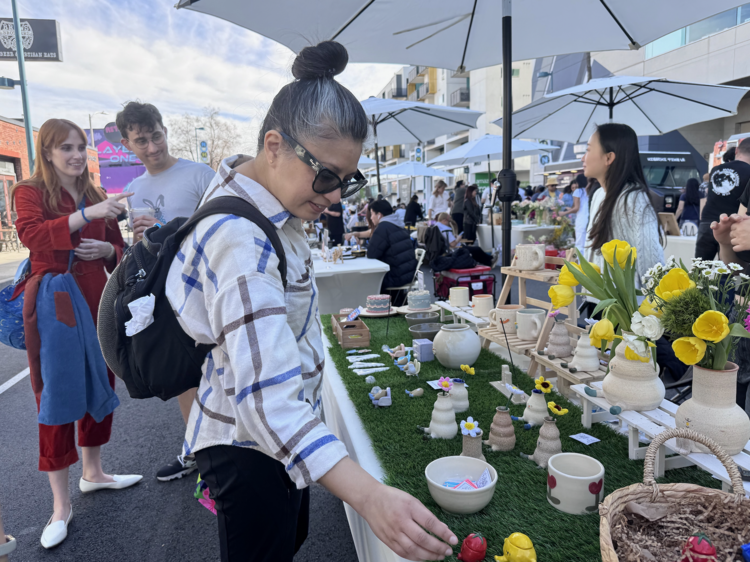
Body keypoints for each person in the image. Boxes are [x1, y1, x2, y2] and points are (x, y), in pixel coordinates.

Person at [165, 41, 457, 562]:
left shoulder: (273, 205)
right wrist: (370, 497)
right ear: (273, 146)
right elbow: (266, 401)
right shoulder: (240, 239)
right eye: (326, 176)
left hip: (266, 436)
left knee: (284, 541)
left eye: (348, 180)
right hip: (246, 444)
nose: (336, 196)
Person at [12, 119, 142, 549]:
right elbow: (31, 237)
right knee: (56, 396)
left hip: (95, 298)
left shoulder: (94, 193)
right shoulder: (29, 192)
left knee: (101, 383)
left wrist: (109, 248)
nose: (74, 154)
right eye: (64, 147)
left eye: (80, 146)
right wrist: (86, 216)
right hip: (54, 305)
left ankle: (94, 472)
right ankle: (60, 506)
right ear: (47, 153)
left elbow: (118, 253)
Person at [116, 101, 216, 483]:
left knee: (221, 368)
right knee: (182, 374)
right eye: (142, 140)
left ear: (165, 130)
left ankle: (231, 451)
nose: (153, 147)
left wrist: (165, 227)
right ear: (128, 144)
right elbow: (142, 248)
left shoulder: (199, 174)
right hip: (164, 292)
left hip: (206, 285)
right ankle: (196, 451)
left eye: (156, 135)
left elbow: (221, 225)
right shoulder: (134, 189)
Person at [582, 122, 664, 280]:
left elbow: (651, 266)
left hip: (625, 304)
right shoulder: (599, 195)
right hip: (597, 301)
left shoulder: (634, 200)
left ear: (608, 157)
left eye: (588, 150)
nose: (583, 158)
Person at [696, 138, 750, 260]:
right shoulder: (748, 172)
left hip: (708, 221)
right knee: (726, 273)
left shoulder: (716, 170)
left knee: (700, 267)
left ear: (736, 150)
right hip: (730, 223)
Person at [365, 200, 418, 294]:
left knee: (365, 280)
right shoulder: (398, 224)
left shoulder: (383, 228)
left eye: (372, 214)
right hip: (408, 274)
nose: (371, 217)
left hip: (395, 277)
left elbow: (371, 253)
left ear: (379, 215)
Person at [560, 174, 587, 253]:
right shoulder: (587, 191)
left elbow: (576, 208)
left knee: (579, 243)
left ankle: (579, 262)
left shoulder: (578, 191)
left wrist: (564, 213)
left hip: (580, 219)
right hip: (588, 217)